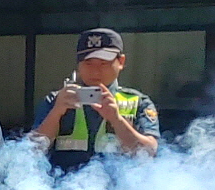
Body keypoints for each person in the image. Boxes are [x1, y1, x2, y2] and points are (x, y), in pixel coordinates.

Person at [30, 28, 160, 172]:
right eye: (88, 63)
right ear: (78, 65)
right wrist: (56, 113)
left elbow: (149, 153)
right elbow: (33, 151)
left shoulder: (138, 102)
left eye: (104, 63)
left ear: (121, 61)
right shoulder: (56, 100)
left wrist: (117, 120)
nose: (95, 71)